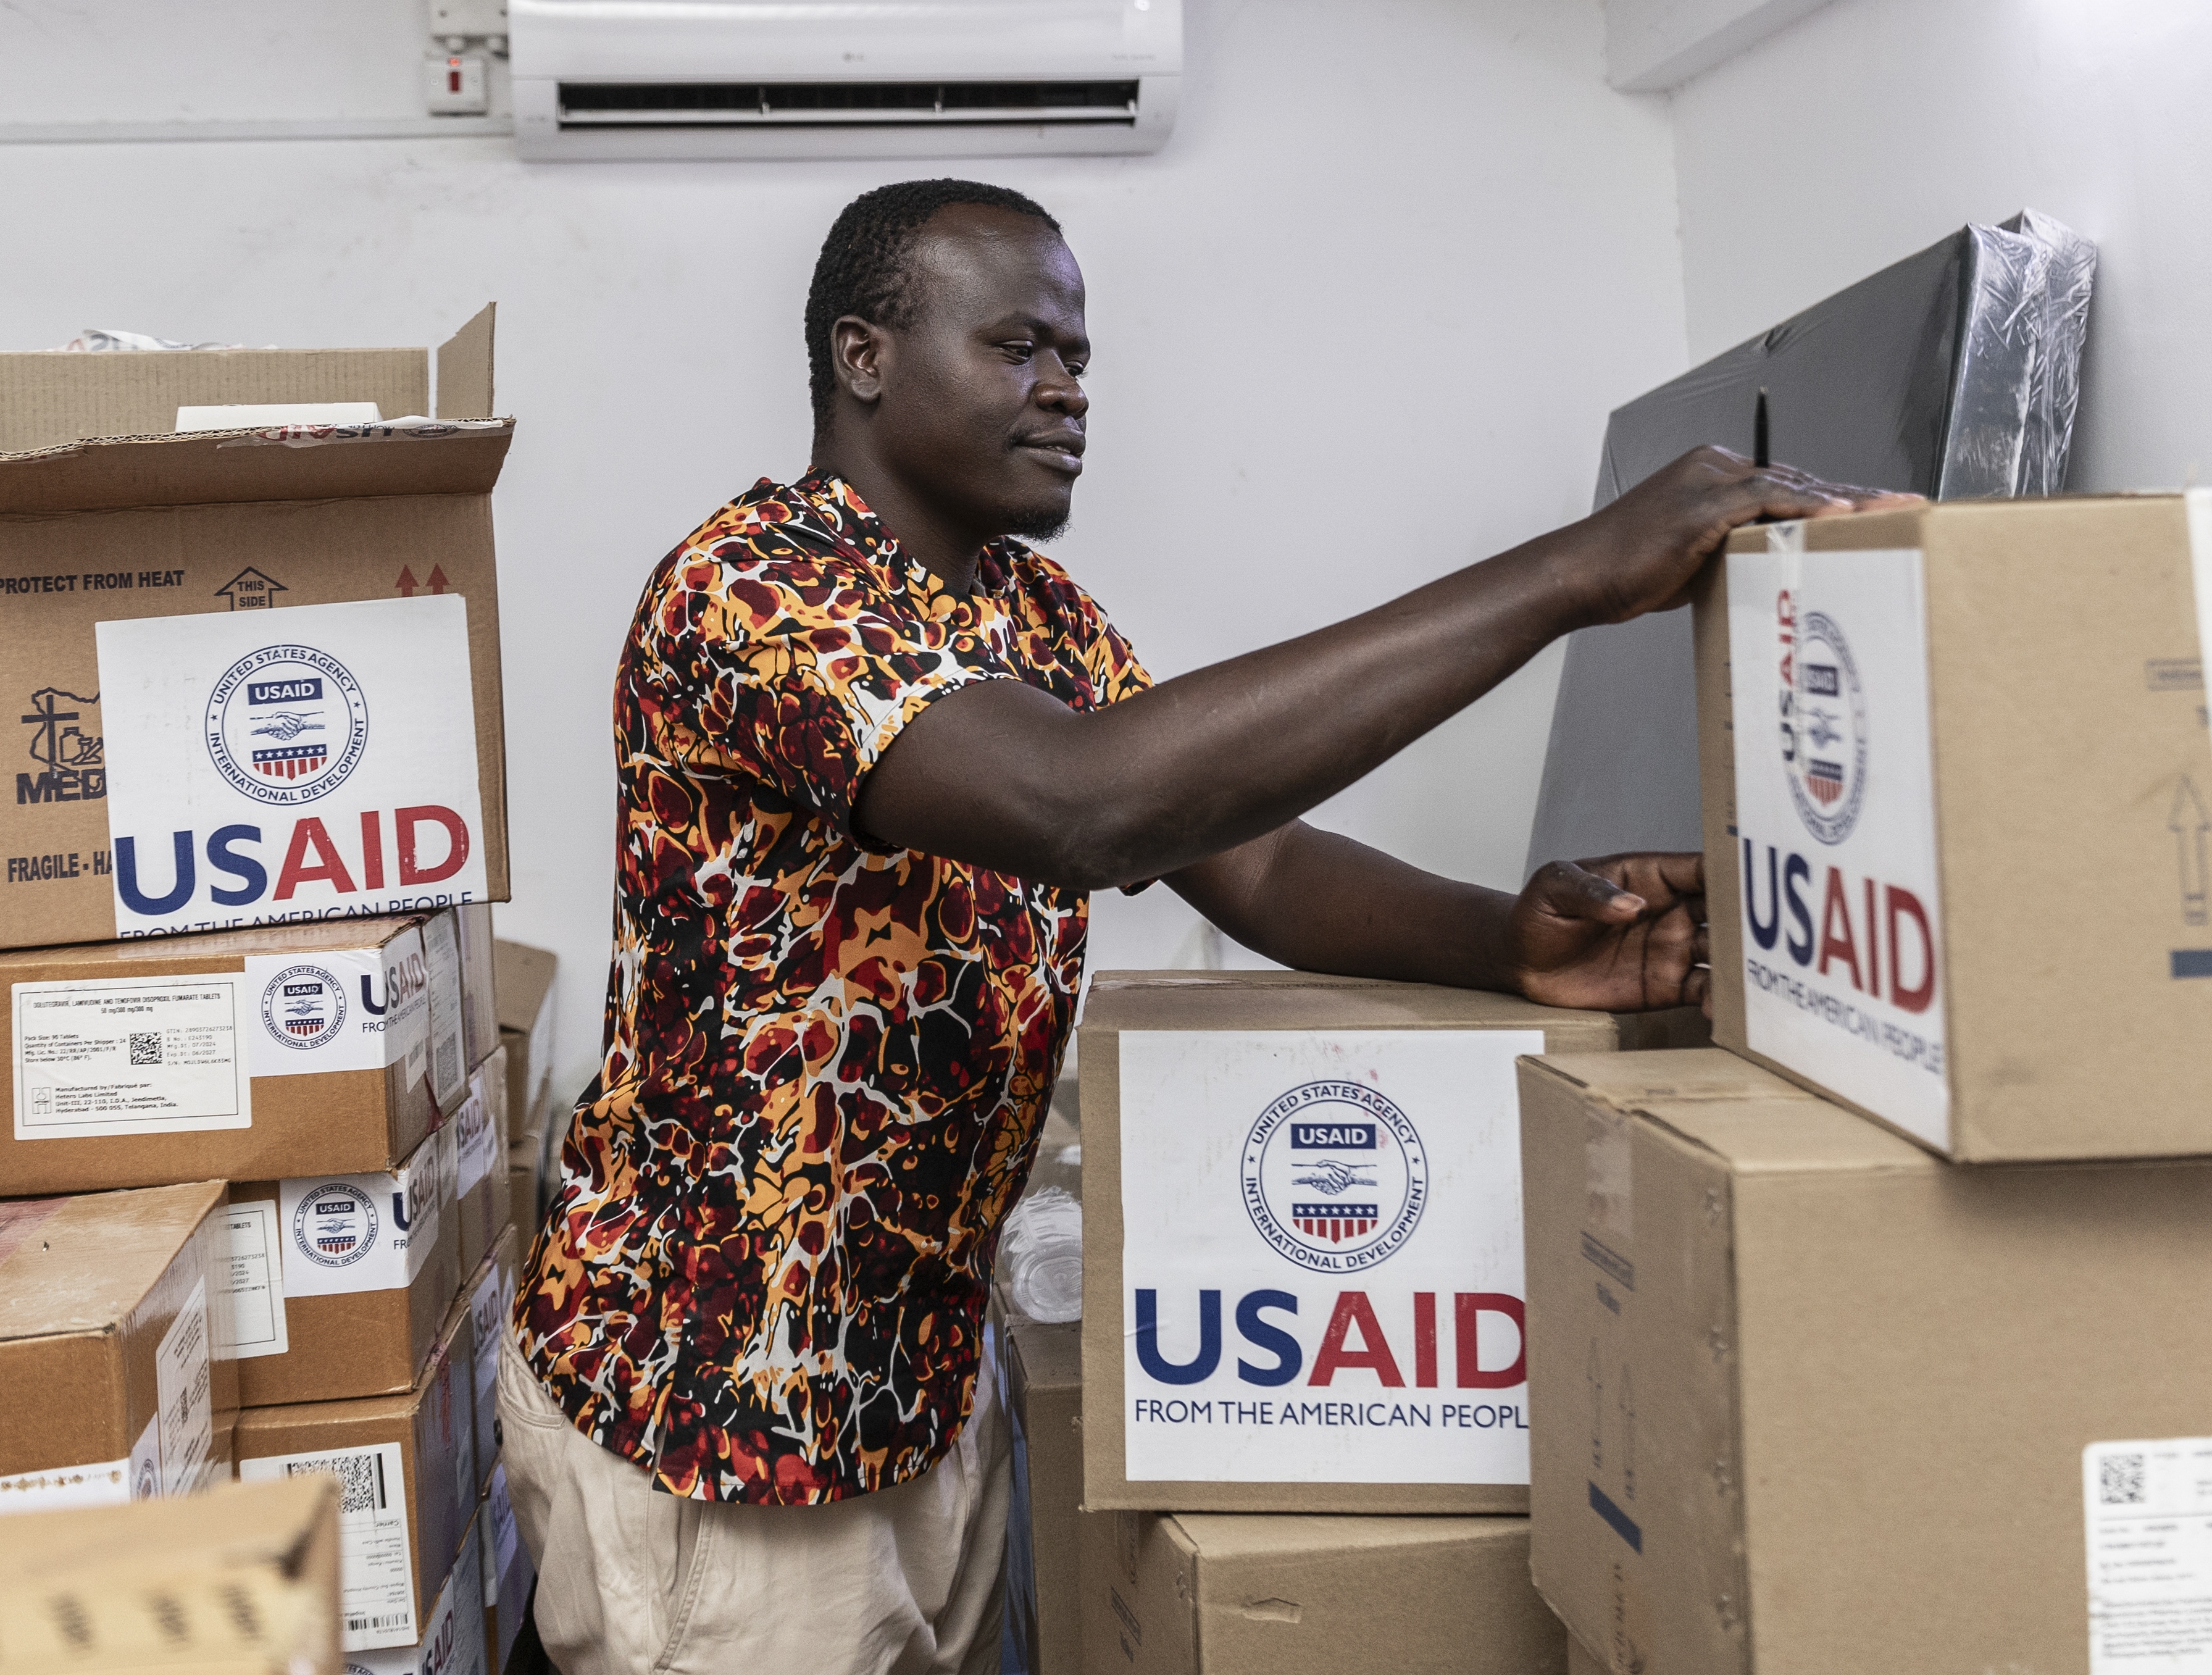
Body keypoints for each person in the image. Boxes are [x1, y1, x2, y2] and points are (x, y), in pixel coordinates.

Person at [502, 178, 1908, 1675]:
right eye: (1020, 345)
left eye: (1081, 356)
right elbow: (1082, 804)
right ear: (863, 356)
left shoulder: (1029, 614)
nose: (1068, 388)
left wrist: (1509, 938)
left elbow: (1257, 861)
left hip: (910, 1382)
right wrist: (1569, 571)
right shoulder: (755, 588)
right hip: (721, 1415)